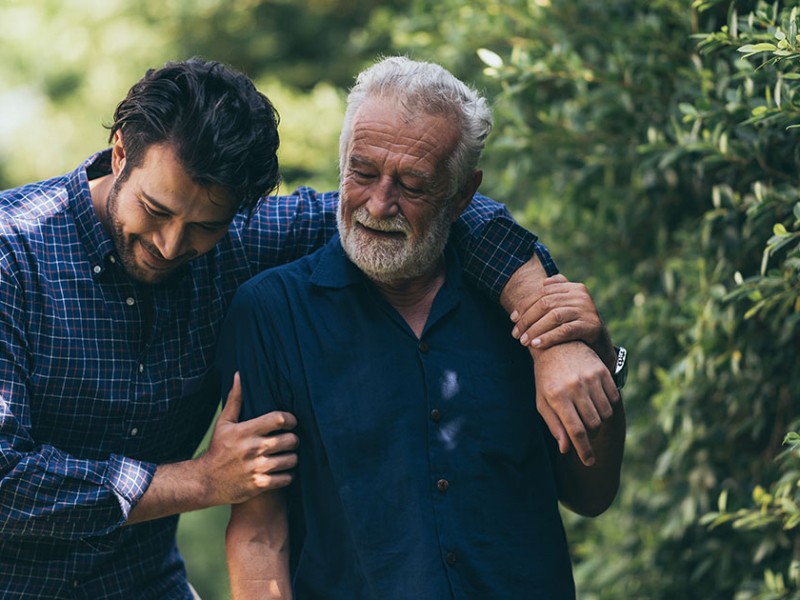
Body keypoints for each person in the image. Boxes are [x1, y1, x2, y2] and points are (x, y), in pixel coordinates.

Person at [0, 58, 615, 598]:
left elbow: (445, 210)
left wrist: (553, 332)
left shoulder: (242, 241)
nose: (170, 243)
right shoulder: (12, 255)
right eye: (155, 211)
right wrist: (201, 480)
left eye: (204, 226)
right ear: (119, 153)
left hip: (139, 588)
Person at [218, 56, 626, 599]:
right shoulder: (271, 312)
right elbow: (260, 531)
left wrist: (596, 358)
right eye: (362, 173)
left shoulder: (527, 302)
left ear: (462, 195)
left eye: (412, 184)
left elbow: (591, 494)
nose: (379, 204)